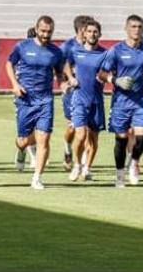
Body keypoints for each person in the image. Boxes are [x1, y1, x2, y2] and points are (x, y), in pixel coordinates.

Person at [6, 15, 66, 189]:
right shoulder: (22, 46)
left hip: (45, 99)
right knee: (23, 140)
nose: (46, 35)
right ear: (36, 29)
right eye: (43, 31)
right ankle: (21, 149)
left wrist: (65, 85)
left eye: (49, 32)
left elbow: (59, 74)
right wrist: (15, 85)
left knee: (44, 139)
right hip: (25, 98)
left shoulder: (56, 52)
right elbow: (9, 64)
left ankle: (37, 178)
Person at [99, 15, 143, 187]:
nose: (136, 30)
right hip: (121, 102)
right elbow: (101, 74)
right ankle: (119, 175)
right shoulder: (116, 50)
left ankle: (134, 162)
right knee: (121, 139)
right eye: (133, 26)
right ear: (126, 28)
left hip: (140, 101)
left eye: (139, 27)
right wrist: (115, 80)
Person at [64, 19, 106, 182]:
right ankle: (77, 165)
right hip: (79, 99)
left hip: (96, 101)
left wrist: (106, 77)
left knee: (93, 139)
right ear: (84, 33)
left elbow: (110, 70)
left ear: (99, 34)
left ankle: (87, 167)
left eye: (95, 31)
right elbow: (66, 64)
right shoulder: (76, 51)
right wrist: (70, 78)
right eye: (89, 31)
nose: (92, 34)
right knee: (80, 135)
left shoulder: (105, 54)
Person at [59, 15, 92, 171]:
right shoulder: (67, 47)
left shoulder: (92, 46)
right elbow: (58, 67)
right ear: (81, 30)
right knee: (73, 127)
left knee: (87, 129)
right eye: (87, 30)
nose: (91, 33)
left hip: (89, 93)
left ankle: (84, 164)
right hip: (72, 93)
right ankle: (67, 147)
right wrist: (63, 82)